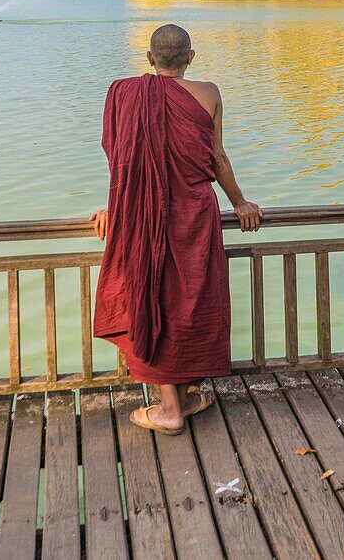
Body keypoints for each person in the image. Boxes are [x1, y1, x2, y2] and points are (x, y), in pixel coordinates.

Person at [90, 24, 262, 435]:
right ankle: (175, 403)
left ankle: (172, 405)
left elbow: (122, 157)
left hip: (141, 213)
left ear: (150, 59)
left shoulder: (123, 92)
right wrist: (240, 203)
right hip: (194, 212)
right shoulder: (209, 93)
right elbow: (217, 157)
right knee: (191, 300)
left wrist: (116, 206)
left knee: (154, 295)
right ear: (191, 57)